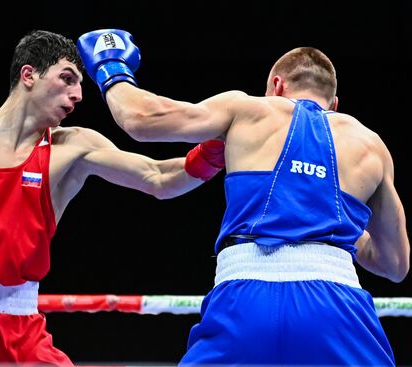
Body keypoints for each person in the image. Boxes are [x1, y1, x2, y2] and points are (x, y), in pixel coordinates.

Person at [0, 30, 226, 366]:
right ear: (29, 75)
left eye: (81, 85)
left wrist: (216, 149)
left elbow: (159, 178)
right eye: (67, 78)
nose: (78, 95)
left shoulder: (72, 147)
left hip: (21, 333)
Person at [77, 29, 410, 366]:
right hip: (336, 306)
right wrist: (337, 221)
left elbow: (141, 119)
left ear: (276, 87)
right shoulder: (371, 145)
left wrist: (112, 67)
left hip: (245, 299)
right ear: (335, 105)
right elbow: (395, 264)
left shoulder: (249, 109)